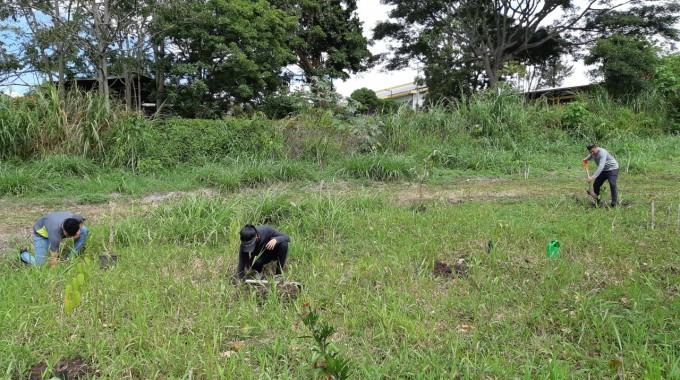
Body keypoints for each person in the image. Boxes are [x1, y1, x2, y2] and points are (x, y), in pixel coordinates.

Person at [20, 211, 89, 267]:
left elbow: (81, 222)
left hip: (54, 223)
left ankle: (70, 258)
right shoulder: (55, 234)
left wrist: (78, 232)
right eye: (68, 235)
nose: (68, 237)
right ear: (62, 228)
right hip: (42, 235)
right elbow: (54, 259)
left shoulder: (75, 218)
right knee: (40, 265)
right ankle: (23, 254)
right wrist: (55, 272)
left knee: (84, 230)